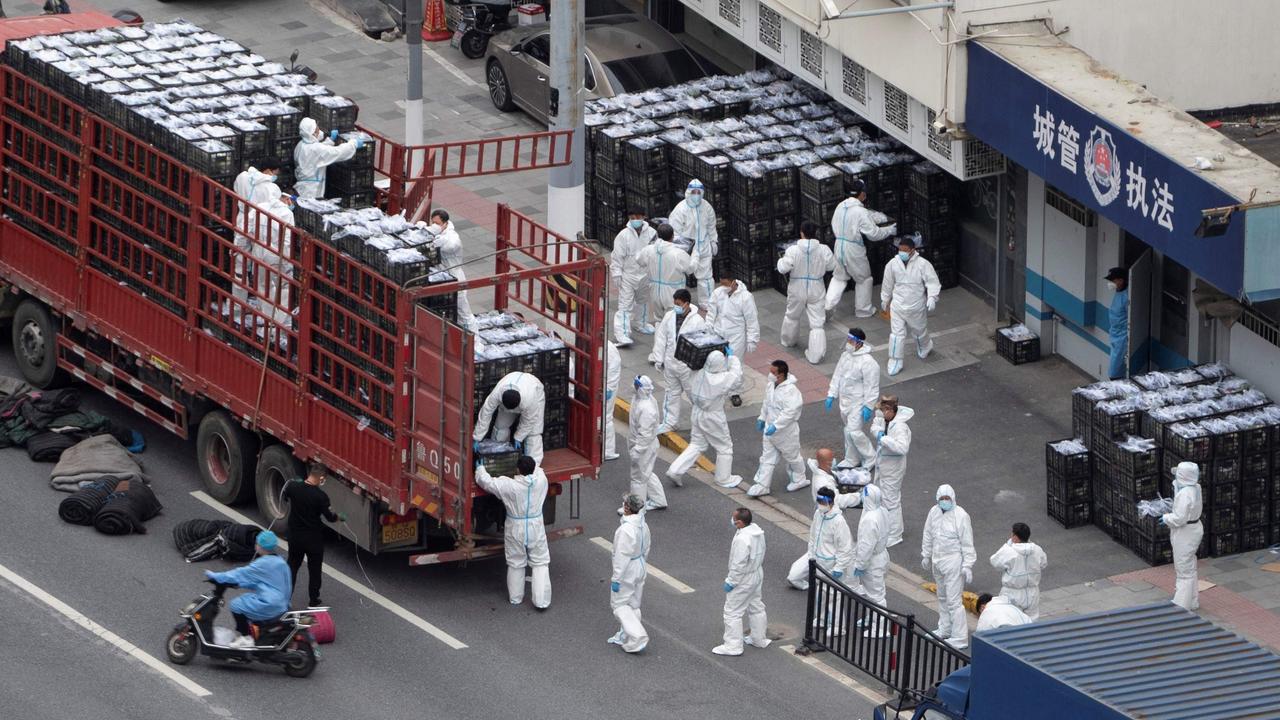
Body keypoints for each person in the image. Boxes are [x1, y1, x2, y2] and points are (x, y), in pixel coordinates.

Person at [475, 455, 551, 608]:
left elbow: (487, 482)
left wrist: (480, 468)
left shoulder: (509, 486)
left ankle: (516, 598)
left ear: (518, 469)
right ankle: (541, 601)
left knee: (516, 562)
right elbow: (538, 470)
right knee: (540, 562)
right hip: (536, 525)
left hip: (515, 526)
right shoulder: (542, 480)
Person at [666, 349, 743, 489]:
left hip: (697, 412)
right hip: (713, 415)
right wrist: (732, 358)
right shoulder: (722, 378)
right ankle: (723, 478)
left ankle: (675, 470)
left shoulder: (698, 373)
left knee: (697, 444)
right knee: (724, 447)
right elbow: (736, 376)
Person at [204, 530, 292, 648]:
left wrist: (216, 576)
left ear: (260, 546)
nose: (255, 545)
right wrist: (241, 584)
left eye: (257, 543)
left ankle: (245, 637)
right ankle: (256, 633)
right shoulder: (280, 562)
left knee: (236, 605)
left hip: (270, 604)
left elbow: (240, 573)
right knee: (247, 600)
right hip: (283, 604)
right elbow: (262, 581)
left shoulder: (263, 564)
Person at [825, 179, 897, 318]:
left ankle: (827, 306)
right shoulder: (860, 211)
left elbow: (834, 225)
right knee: (863, 278)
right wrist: (889, 230)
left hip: (839, 245)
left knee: (839, 277)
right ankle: (863, 309)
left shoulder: (840, 206)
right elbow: (874, 234)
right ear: (862, 194)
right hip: (853, 248)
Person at [921, 484, 976, 649]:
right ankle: (945, 628)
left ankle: (959, 637)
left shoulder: (961, 516)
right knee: (942, 597)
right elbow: (928, 534)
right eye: (942, 499)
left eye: (947, 499)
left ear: (953, 498)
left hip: (953, 562)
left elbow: (967, 543)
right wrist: (926, 554)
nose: (944, 501)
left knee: (953, 601)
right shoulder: (934, 512)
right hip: (938, 561)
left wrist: (968, 565)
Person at [284, 462, 345, 608]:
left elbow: (285, 496)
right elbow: (330, 517)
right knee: (315, 570)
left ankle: (286, 597)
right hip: (313, 539)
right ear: (322, 478)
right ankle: (313, 600)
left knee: (292, 566)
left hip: (295, 536)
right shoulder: (321, 496)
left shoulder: (293, 487)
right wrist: (339, 517)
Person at [230, 158, 283, 321]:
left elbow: (237, 191)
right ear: (268, 171)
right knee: (262, 270)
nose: (276, 176)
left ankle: (238, 306)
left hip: (242, 222)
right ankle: (265, 311)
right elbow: (272, 207)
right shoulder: (272, 188)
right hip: (260, 228)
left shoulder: (242, 177)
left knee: (240, 266)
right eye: (275, 173)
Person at [778, 221, 837, 364]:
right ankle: (815, 355)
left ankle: (789, 341)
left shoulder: (793, 250)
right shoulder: (824, 249)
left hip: (797, 287)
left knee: (792, 315)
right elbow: (832, 265)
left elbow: (782, 268)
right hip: (817, 286)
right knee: (817, 322)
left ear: (801, 233)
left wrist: (781, 261)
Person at [881, 237, 941, 376]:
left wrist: (932, 297)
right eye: (900, 250)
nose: (901, 252)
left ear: (913, 250)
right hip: (898, 306)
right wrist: (885, 299)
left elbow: (932, 282)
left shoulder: (923, 264)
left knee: (919, 331)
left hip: (916, 307)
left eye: (905, 250)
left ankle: (925, 346)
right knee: (896, 335)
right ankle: (895, 360)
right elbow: (887, 283)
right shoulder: (893, 264)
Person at [714, 507, 769, 656]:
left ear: (739, 523)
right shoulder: (757, 533)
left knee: (732, 612)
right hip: (757, 573)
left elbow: (738, 564)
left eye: (734, 518)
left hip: (744, 578)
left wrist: (731, 581)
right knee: (756, 605)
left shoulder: (742, 539)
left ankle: (733, 646)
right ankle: (759, 639)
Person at [746, 360, 806, 497]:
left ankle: (799, 477)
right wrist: (762, 418)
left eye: (773, 372)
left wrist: (776, 425)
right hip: (769, 430)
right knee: (767, 457)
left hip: (786, 432)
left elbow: (790, 412)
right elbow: (766, 404)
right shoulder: (770, 386)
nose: (770, 374)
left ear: (781, 374)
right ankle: (763, 485)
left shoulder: (791, 391)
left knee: (792, 456)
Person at [652, 288, 706, 433]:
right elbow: (661, 337)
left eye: (678, 303)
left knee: (694, 395)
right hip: (670, 363)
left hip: (687, 367)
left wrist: (697, 365)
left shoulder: (697, 321)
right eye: (674, 303)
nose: (675, 306)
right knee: (671, 394)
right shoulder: (669, 316)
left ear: (687, 304)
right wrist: (658, 358)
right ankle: (670, 422)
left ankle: (703, 423)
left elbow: (701, 344)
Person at [826, 328, 880, 467]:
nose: (848, 343)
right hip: (845, 401)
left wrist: (868, 406)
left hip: (858, 402)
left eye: (851, 340)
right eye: (848, 339)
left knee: (854, 432)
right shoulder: (845, 356)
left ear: (858, 343)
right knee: (848, 431)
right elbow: (837, 375)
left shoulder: (868, 362)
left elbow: (872, 386)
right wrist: (832, 394)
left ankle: (871, 456)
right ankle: (852, 458)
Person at [636, 224, 697, 345]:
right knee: (672, 322)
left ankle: (657, 354)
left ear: (657, 235)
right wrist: (695, 255)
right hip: (673, 293)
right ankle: (669, 354)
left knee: (659, 321)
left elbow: (639, 260)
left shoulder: (649, 249)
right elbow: (690, 269)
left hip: (655, 290)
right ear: (672, 236)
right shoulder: (678, 253)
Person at [705, 272, 759, 407]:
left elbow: (751, 320)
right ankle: (717, 389)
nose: (722, 286)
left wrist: (752, 339)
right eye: (721, 283)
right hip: (718, 334)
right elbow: (711, 312)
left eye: (725, 284)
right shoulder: (718, 293)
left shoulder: (745, 298)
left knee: (735, 363)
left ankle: (734, 392)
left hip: (736, 336)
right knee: (717, 361)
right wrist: (708, 326)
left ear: (733, 281)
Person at [786, 486, 854, 591]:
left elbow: (845, 547)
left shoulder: (839, 521)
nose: (820, 505)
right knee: (818, 594)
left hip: (830, 563)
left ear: (831, 503)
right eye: (819, 501)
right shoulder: (818, 514)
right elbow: (813, 536)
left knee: (832, 597)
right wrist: (811, 554)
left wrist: (839, 567)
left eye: (823, 502)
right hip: (816, 559)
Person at [250, 185, 297, 334]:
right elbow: (288, 239)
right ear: (287, 199)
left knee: (263, 285)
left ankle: (268, 317)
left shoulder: (260, 206)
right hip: (276, 253)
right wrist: (288, 260)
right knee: (284, 285)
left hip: (258, 251)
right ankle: (280, 321)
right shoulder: (286, 214)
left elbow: (249, 228)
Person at [609, 494, 651, 653]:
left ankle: (637, 636)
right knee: (634, 603)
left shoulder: (625, 530)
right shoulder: (643, 525)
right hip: (640, 564)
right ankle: (625, 636)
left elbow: (621, 556)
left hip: (628, 569)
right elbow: (647, 546)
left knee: (619, 605)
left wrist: (616, 578)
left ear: (627, 507)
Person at [473, 371, 546, 462]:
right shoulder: (497, 394)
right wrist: (477, 436)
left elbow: (529, 420)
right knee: (500, 428)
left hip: (535, 390)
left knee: (533, 433)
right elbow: (486, 412)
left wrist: (518, 437)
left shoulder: (529, 400)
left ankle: (533, 465)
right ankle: (497, 457)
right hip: (512, 383)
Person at [667, 179, 719, 305]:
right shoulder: (680, 209)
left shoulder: (706, 207)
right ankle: (678, 304)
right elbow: (674, 231)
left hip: (703, 245)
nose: (696, 195)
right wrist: (680, 248)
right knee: (679, 276)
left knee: (706, 277)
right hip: (685, 248)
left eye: (699, 192)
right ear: (688, 192)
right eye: (694, 192)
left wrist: (713, 241)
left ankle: (707, 304)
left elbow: (711, 226)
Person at [870, 394, 912, 546]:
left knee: (891, 501)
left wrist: (883, 439)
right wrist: (878, 433)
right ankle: (886, 528)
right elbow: (875, 426)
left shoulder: (900, 427)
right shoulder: (885, 419)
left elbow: (902, 448)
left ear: (889, 410)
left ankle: (895, 534)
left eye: (882, 411)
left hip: (893, 469)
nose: (880, 413)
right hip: (884, 465)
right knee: (883, 499)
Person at [611, 210, 658, 345]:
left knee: (642, 301)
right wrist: (617, 273)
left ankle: (640, 323)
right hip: (628, 275)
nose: (635, 219)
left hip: (645, 274)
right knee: (625, 305)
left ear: (644, 217)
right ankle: (622, 334)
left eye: (637, 217)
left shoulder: (652, 233)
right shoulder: (623, 236)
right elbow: (617, 256)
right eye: (632, 217)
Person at [1163, 461, 1204, 611]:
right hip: (1193, 528)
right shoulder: (1196, 488)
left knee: (1183, 569)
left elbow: (1179, 519)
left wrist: (1166, 518)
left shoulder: (1185, 494)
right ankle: (1192, 601)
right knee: (1190, 566)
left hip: (1185, 532)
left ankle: (1181, 605)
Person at [851, 484, 891, 637]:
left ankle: (880, 628)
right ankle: (871, 617)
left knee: (876, 595)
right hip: (882, 555)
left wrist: (860, 564)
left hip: (872, 561)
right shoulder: (881, 511)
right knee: (871, 592)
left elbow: (866, 546)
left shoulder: (870, 519)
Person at [426, 209, 475, 331]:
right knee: (448, 311)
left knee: (464, 312)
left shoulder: (452, 237)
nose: (435, 226)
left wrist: (437, 243)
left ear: (445, 223)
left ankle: (474, 341)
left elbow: (452, 246)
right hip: (441, 278)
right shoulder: (439, 234)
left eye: (437, 223)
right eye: (433, 223)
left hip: (454, 277)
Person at [624, 375, 667, 513]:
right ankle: (658, 500)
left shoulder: (646, 408)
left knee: (638, 478)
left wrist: (637, 450)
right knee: (646, 473)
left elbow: (645, 434)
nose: (634, 387)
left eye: (636, 385)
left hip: (644, 447)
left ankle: (636, 508)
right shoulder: (642, 399)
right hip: (643, 445)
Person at [989, 522, 1048, 621]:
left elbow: (995, 562)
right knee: (1032, 622)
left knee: (1012, 621)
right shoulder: (1037, 550)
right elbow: (1043, 563)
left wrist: (1007, 545)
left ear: (1015, 537)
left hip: (1012, 594)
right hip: (1032, 593)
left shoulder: (1009, 551)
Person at [293, 118, 361, 200]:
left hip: (302, 186)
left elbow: (319, 152)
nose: (319, 131)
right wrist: (353, 144)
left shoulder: (301, 145)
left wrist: (330, 140)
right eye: (317, 129)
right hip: (312, 190)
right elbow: (338, 152)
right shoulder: (316, 149)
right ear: (312, 133)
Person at [1105, 267, 1129, 379]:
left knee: (1115, 371)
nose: (1110, 283)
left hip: (1122, 338)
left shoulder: (1126, 297)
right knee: (1114, 364)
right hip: (1115, 335)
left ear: (1121, 280)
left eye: (1113, 280)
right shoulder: (1118, 293)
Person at [604, 341, 621, 461]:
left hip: (608, 387)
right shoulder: (602, 346)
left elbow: (614, 370)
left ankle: (608, 450)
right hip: (602, 384)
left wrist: (609, 389)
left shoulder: (610, 350)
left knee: (606, 417)